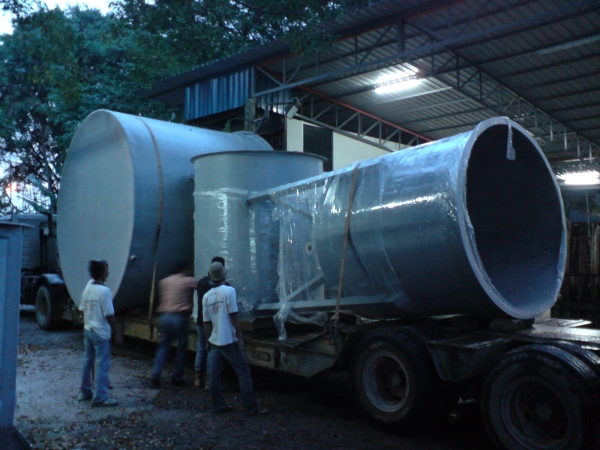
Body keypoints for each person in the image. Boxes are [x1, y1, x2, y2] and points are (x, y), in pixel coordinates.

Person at [203, 261, 267, 415]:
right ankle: (250, 408)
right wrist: (240, 338)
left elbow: (206, 323)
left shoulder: (206, 296)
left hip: (214, 339)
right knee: (243, 372)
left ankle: (218, 407)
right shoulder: (229, 291)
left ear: (210, 276)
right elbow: (234, 316)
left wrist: (207, 342)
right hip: (229, 339)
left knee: (214, 375)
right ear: (224, 274)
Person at [77, 259, 123, 407]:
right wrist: (117, 333)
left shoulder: (88, 287)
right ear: (103, 272)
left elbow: (82, 307)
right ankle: (101, 397)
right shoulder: (104, 291)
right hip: (100, 333)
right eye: (107, 269)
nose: (108, 271)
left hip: (88, 329)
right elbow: (109, 314)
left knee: (88, 361)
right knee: (102, 364)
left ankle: (85, 391)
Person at [150, 263, 197, 388]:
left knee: (164, 346)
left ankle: (155, 374)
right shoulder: (187, 281)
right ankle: (177, 377)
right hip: (179, 318)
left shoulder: (163, 282)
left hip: (164, 317)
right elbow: (201, 285)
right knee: (181, 348)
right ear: (183, 270)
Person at [193, 256, 230, 389]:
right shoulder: (226, 287)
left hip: (200, 321)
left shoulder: (201, 282)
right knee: (212, 351)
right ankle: (209, 381)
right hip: (214, 323)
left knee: (201, 349)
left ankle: (198, 378)